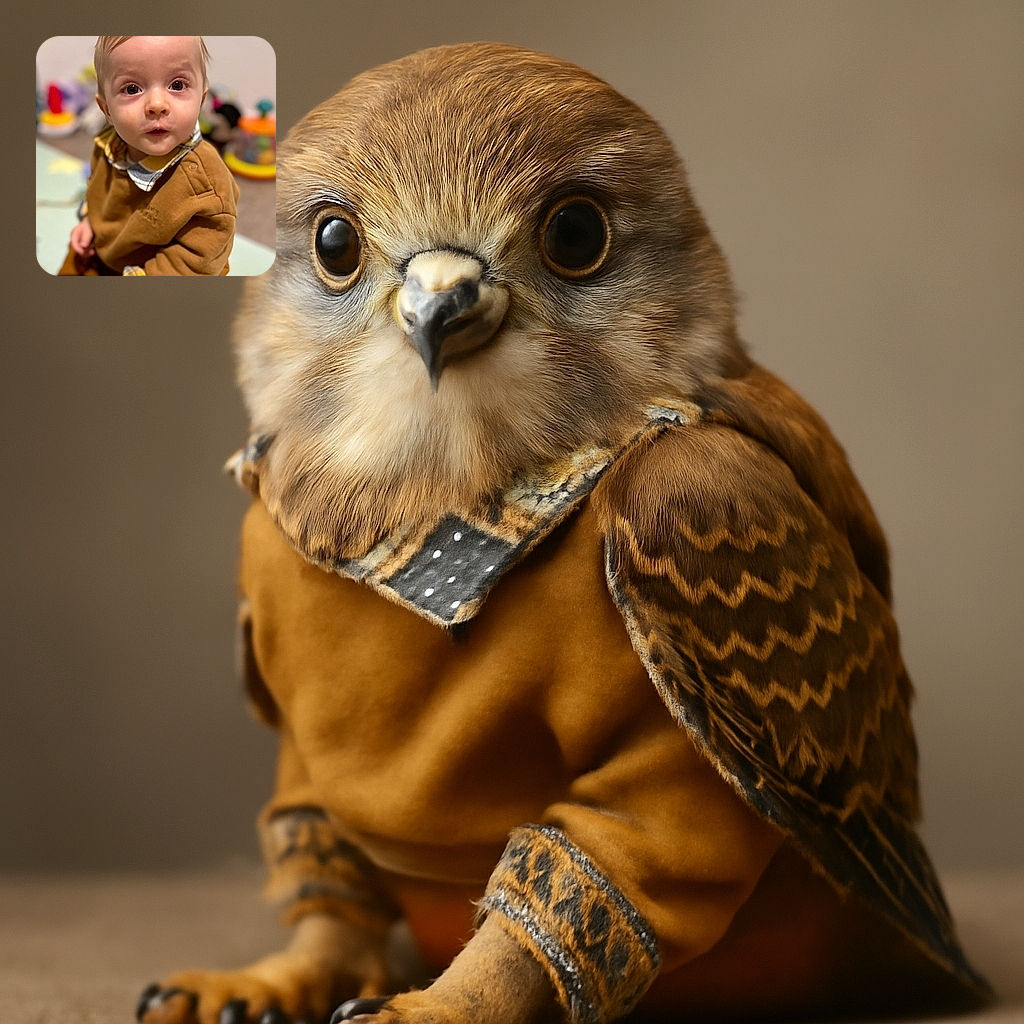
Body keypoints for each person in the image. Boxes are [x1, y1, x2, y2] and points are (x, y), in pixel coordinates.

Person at [58, 36, 239, 276]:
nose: (156, 104)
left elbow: (201, 258)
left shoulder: (205, 183)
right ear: (107, 110)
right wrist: (89, 221)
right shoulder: (107, 145)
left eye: (177, 85)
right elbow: (97, 191)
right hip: (105, 248)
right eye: (132, 89)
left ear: (201, 101)